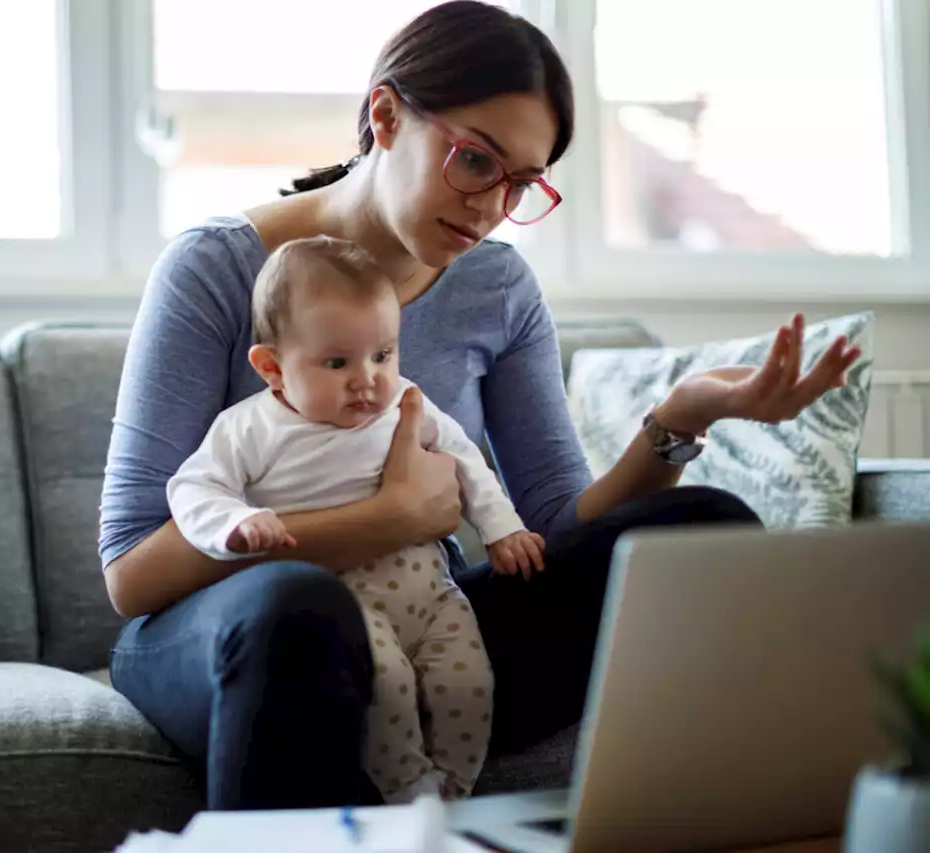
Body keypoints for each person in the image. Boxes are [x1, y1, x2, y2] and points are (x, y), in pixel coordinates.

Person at [100, 0, 860, 811]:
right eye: (474, 161)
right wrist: (390, 515)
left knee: (705, 526)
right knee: (302, 611)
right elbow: (131, 573)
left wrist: (680, 419)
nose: (492, 207)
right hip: (227, 630)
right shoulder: (216, 269)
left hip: (417, 616)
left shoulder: (498, 286)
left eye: (522, 183)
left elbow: (558, 531)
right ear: (385, 114)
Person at [167, 235, 546, 803]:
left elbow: (466, 460)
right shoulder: (250, 427)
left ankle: (452, 790)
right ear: (272, 367)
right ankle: (411, 790)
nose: (367, 379)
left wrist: (502, 528)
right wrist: (232, 526)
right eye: (337, 362)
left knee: (467, 682)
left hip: (432, 589)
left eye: (383, 355)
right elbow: (194, 487)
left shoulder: (406, 403)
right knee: (387, 688)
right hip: (346, 595)